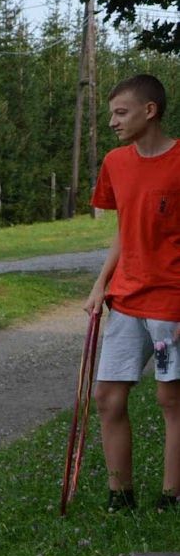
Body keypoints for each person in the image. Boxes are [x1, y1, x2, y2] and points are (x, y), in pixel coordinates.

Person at [85, 73, 180, 511]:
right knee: (107, 397)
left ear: (150, 110)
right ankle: (120, 496)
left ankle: (172, 497)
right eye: (111, 114)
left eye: (121, 112)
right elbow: (126, 227)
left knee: (171, 398)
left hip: (170, 304)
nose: (113, 122)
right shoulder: (116, 163)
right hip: (126, 300)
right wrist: (100, 284)